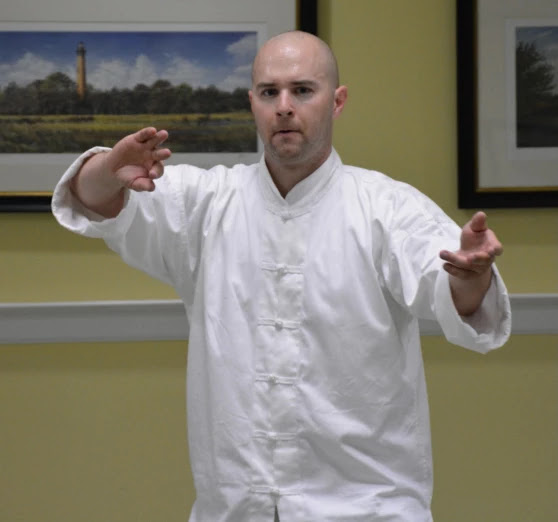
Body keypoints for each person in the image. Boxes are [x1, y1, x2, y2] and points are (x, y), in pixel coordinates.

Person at [52, 31, 511, 522]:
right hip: (235, 510)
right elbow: (96, 203)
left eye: (302, 90)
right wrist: (108, 167)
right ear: (253, 103)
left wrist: (472, 273)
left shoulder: (387, 207)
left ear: (337, 102)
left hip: (368, 508)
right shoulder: (206, 203)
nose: (284, 106)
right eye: (269, 92)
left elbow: (448, 288)